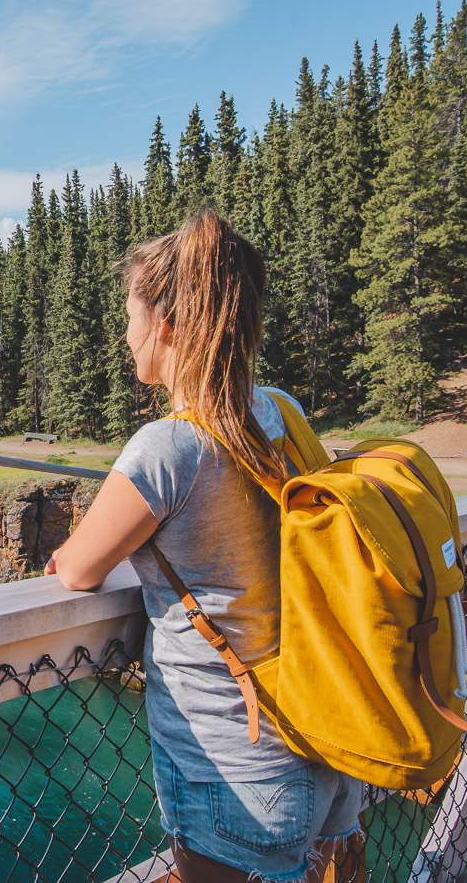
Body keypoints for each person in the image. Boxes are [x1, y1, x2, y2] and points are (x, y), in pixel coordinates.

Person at [44, 211, 363, 883]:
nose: (124, 334)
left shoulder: (167, 448)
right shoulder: (278, 410)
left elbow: (76, 567)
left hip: (237, 775)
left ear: (164, 328)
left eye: (130, 316)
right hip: (323, 745)